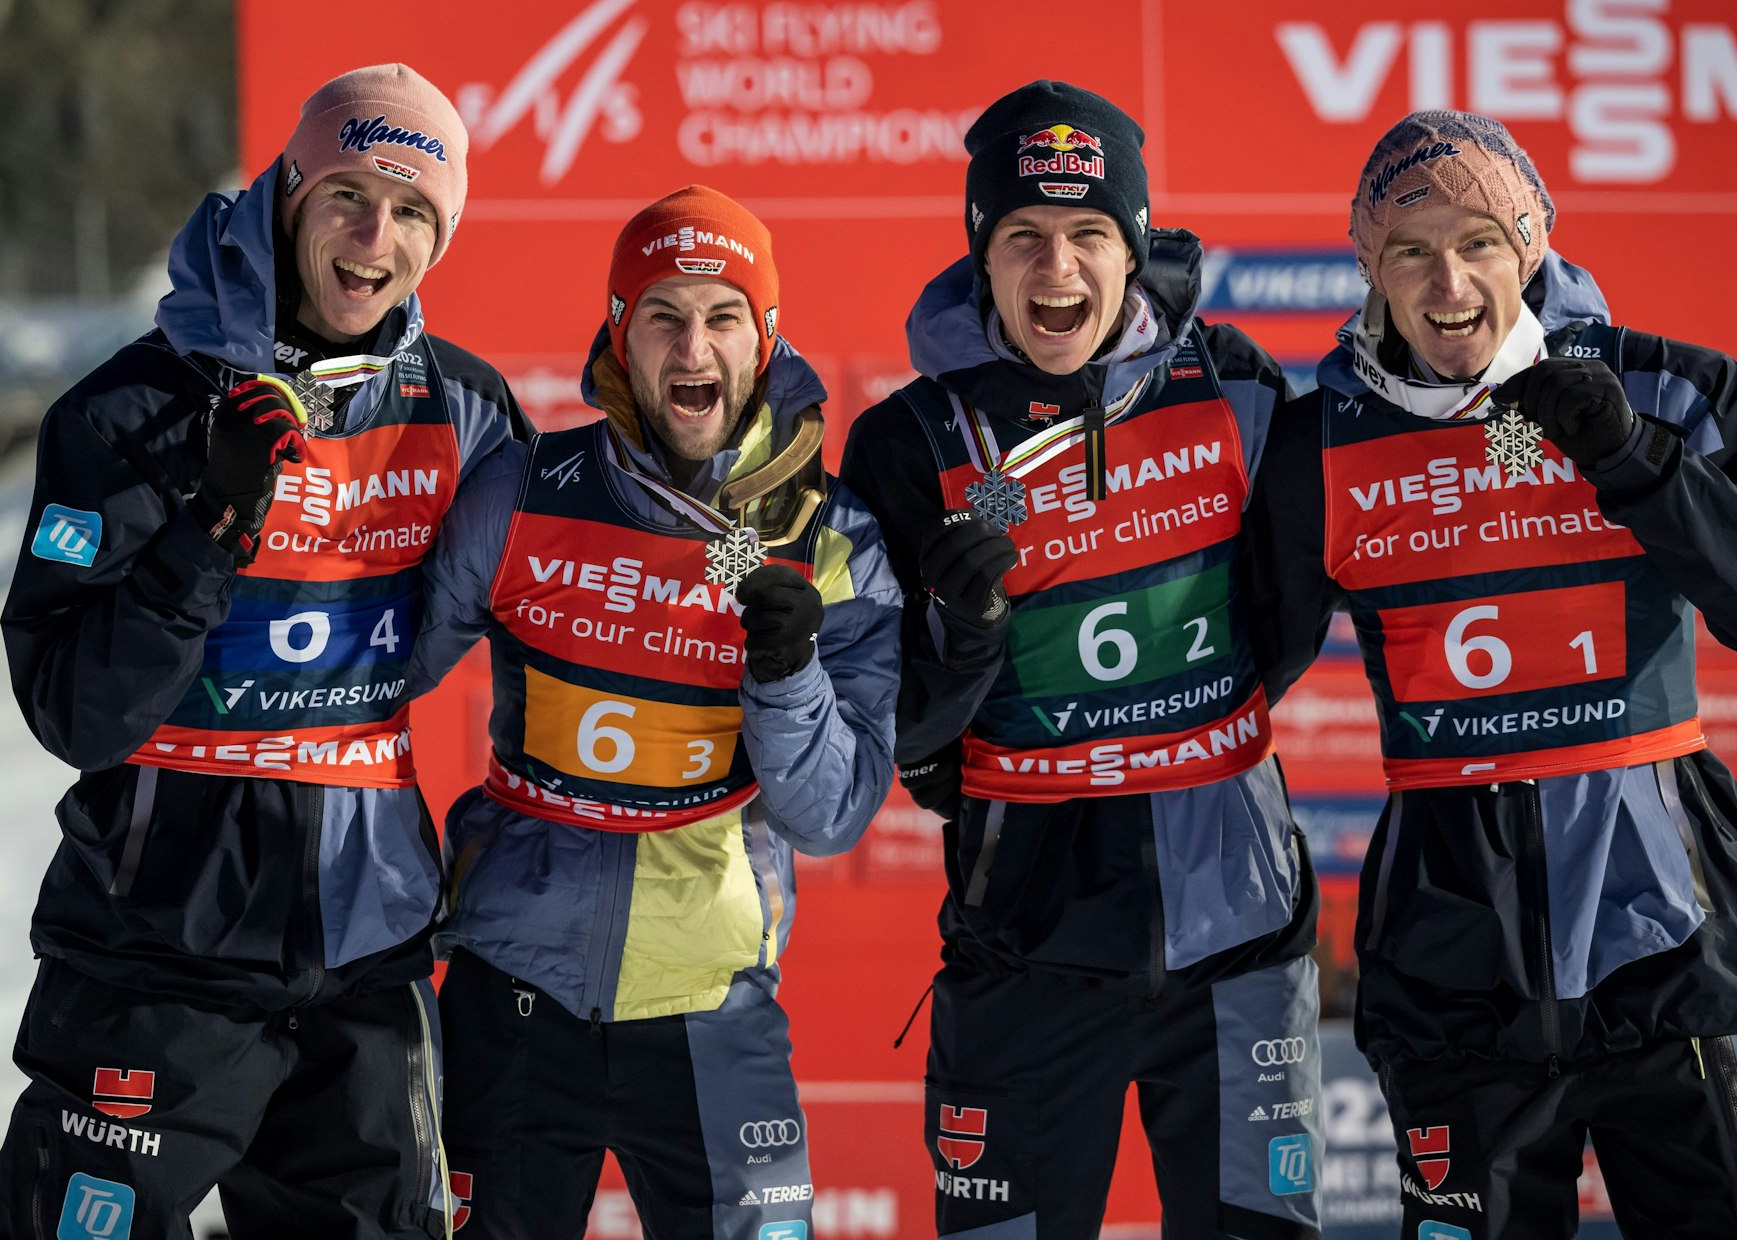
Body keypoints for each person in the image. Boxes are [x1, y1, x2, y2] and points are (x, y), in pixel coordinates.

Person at [0, 63, 530, 1238]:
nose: (371, 236)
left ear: (438, 244)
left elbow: (565, 615)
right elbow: (74, 713)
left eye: (411, 214)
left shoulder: (469, 414)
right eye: (346, 193)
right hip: (159, 947)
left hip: (367, 962)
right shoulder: (130, 412)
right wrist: (209, 534)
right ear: (288, 193)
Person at [1250, 109, 1737, 1239]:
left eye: (1479, 243)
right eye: (1410, 250)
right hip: (1451, 957)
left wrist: (1641, 465)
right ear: (1369, 265)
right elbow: (1233, 672)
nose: (1448, 281)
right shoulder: (1322, 444)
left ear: (1532, 244)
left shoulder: (1671, 392)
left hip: (1671, 933)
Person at [840, 81, 1324, 1240]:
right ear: (980, 253)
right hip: (1027, 950)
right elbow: (891, 731)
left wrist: (1179, 742)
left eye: (1089, 235)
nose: (1056, 270)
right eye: (1023, 238)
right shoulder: (907, 440)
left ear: (1134, 244)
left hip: (1240, 940)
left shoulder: (1237, 384)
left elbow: (1286, 615)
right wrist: (962, 649)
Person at [406, 184, 902, 1240]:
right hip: (514, 997)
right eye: (663, 316)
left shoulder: (831, 535)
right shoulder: (525, 489)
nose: (694, 348)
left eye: (724, 316)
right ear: (619, 334)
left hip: (712, 1007)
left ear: (765, 339)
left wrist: (786, 672)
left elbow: (829, 817)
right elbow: (379, 669)